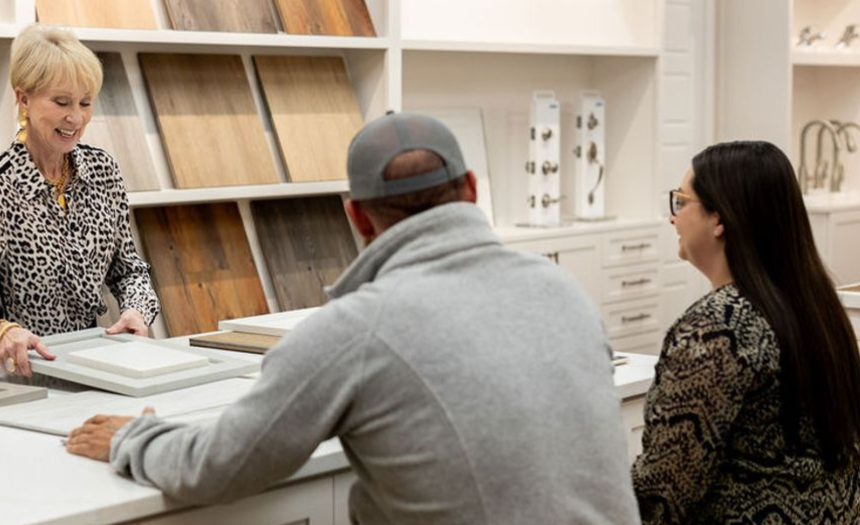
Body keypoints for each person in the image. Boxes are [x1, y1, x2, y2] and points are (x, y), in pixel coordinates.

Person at [66, 112, 641, 524]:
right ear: (469, 189)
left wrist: (133, 438)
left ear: (357, 218)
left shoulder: (354, 331)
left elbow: (221, 467)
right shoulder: (562, 290)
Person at [632, 141, 860, 523]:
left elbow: (663, 494)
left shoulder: (716, 328)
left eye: (681, 202)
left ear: (719, 219)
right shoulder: (818, 307)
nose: (673, 218)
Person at [0, 25, 160, 377]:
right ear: (24, 100)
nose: (75, 118)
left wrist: (137, 311)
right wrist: (3, 331)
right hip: (23, 374)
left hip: (98, 363)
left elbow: (129, 270)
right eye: (61, 102)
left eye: (85, 103)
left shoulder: (104, 171)